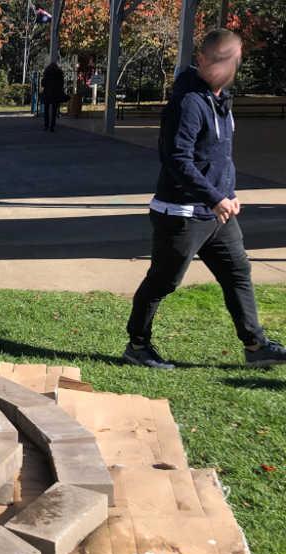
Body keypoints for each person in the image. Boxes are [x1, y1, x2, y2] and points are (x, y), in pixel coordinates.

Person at [124, 29, 286, 369]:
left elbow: (218, 156)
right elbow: (177, 159)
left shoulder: (220, 100)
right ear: (202, 59)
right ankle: (137, 345)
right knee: (163, 281)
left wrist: (228, 194)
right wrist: (214, 197)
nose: (227, 67)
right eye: (220, 60)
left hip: (217, 213)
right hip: (181, 213)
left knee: (238, 271)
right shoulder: (188, 103)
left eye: (233, 61)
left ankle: (255, 345)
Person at [41, 61, 65, 132]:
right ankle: (52, 126)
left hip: (47, 93)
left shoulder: (47, 73)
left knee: (46, 110)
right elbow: (61, 84)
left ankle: (46, 125)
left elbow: (43, 83)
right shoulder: (59, 73)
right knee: (54, 111)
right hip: (55, 94)